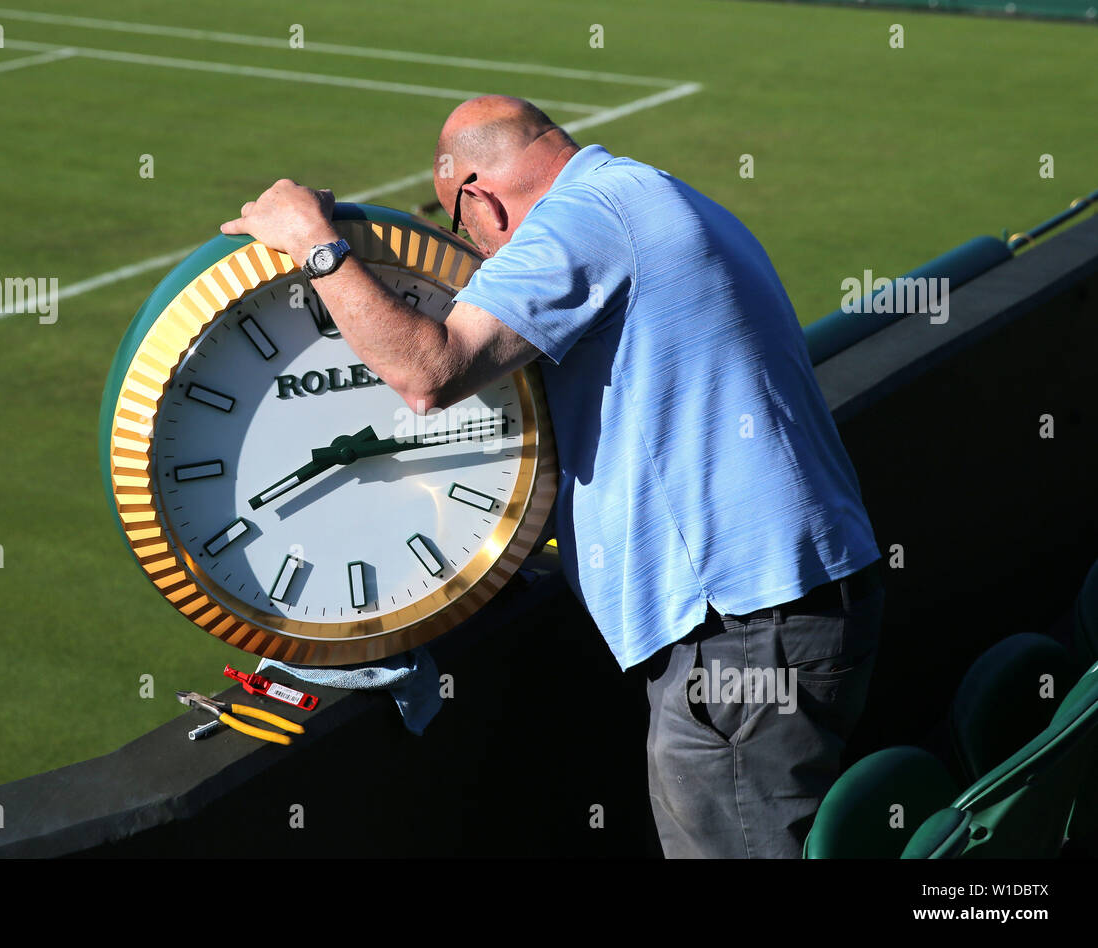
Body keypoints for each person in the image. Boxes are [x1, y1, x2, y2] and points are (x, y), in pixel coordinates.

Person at [221, 94, 886, 858]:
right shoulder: (645, 191)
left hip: (740, 631)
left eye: (457, 226)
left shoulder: (578, 221)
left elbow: (428, 370)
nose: (469, 248)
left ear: (482, 198)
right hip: (793, 608)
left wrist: (316, 244)